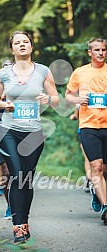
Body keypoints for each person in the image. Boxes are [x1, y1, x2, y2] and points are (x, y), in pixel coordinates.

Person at [0, 31, 59, 244]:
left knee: (26, 179)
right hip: (9, 130)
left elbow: (56, 100)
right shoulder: (3, 74)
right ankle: (18, 226)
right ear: (12, 49)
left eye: (25, 42)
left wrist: (47, 98)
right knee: (18, 174)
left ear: (31, 47)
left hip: (33, 133)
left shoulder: (43, 71)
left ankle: (24, 222)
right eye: (17, 43)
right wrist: (5, 104)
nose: (22, 45)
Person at [65, 38, 107, 224]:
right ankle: (106, 207)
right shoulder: (80, 72)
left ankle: (97, 193)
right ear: (89, 52)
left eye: (103, 50)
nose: (101, 53)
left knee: (104, 169)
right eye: (97, 50)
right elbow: (68, 95)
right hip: (89, 126)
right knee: (96, 167)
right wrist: (77, 100)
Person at [70, 105, 92, 193]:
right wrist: (74, 116)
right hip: (84, 132)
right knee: (88, 157)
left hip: (102, 132)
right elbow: (76, 115)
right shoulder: (81, 102)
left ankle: (91, 179)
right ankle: (90, 180)